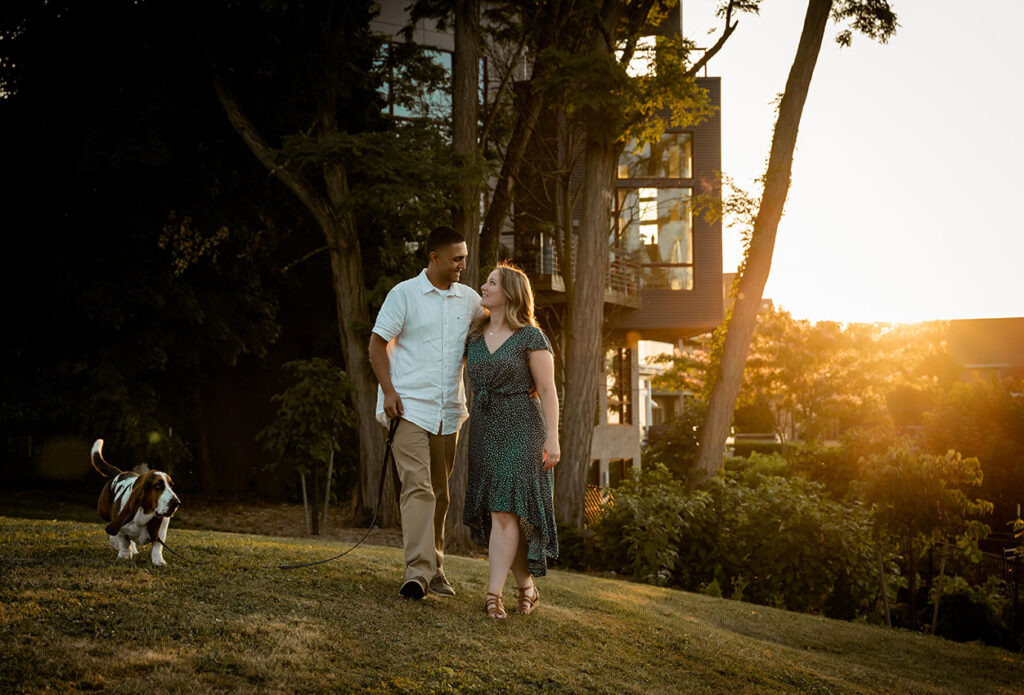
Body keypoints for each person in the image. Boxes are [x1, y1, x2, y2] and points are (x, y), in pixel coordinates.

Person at [368, 225, 481, 600]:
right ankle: (417, 573)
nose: (463, 264)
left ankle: (436, 570)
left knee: (440, 492)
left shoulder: (468, 300)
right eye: (456, 258)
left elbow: (491, 332)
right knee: (417, 487)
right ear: (433, 258)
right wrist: (388, 392)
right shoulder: (404, 294)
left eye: (464, 257)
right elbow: (376, 345)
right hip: (409, 407)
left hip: (449, 411)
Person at [462, 261, 560, 619]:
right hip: (485, 430)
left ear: (509, 294)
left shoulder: (531, 337)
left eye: (491, 283)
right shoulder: (474, 334)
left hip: (523, 428)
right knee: (505, 514)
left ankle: (493, 596)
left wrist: (553, 438)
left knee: (506, 511)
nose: (483, 287)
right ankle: (527, 589)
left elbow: (548, 390)